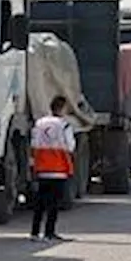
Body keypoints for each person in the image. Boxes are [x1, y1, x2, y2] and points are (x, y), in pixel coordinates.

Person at [29, 95, 76, 242]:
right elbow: (70, 146)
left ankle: (34, 232)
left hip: (42, 168)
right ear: (62, 108)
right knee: (53, 204)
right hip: (58, 169)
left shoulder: (40, 123)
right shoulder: (64, 125)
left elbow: (34, 144)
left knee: (40, 203)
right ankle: (49, 233)